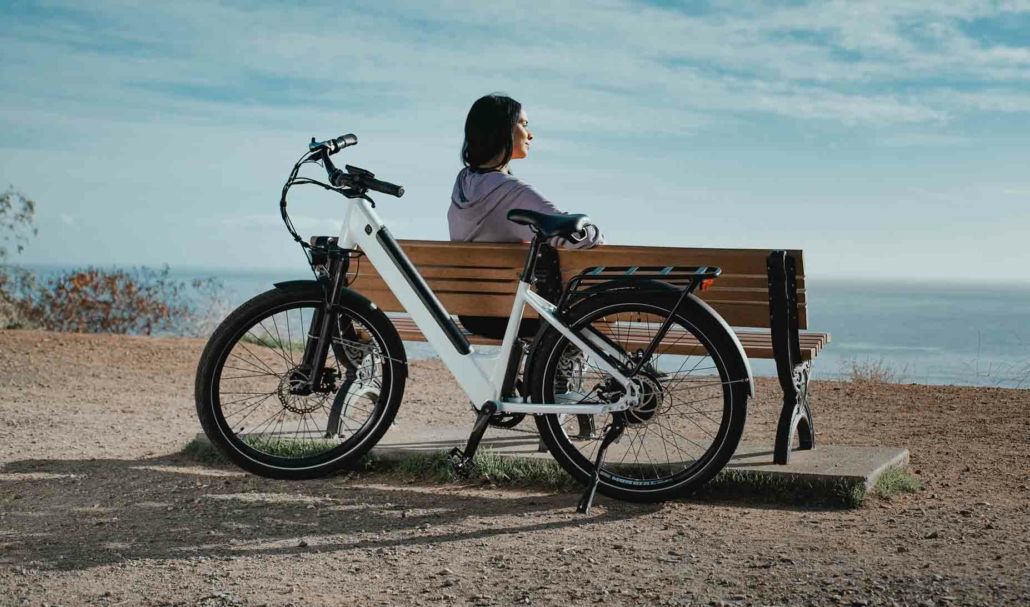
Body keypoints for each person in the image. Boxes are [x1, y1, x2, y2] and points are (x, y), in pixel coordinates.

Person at [448, 94, 605, 339]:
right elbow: (574, 237)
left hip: (473, 314)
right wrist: (595, 231)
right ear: (502, 131)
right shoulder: (511, 191)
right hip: (520, 314)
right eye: (524, 124)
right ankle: (565, 367)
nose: (530, 134)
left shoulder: (463, 184)